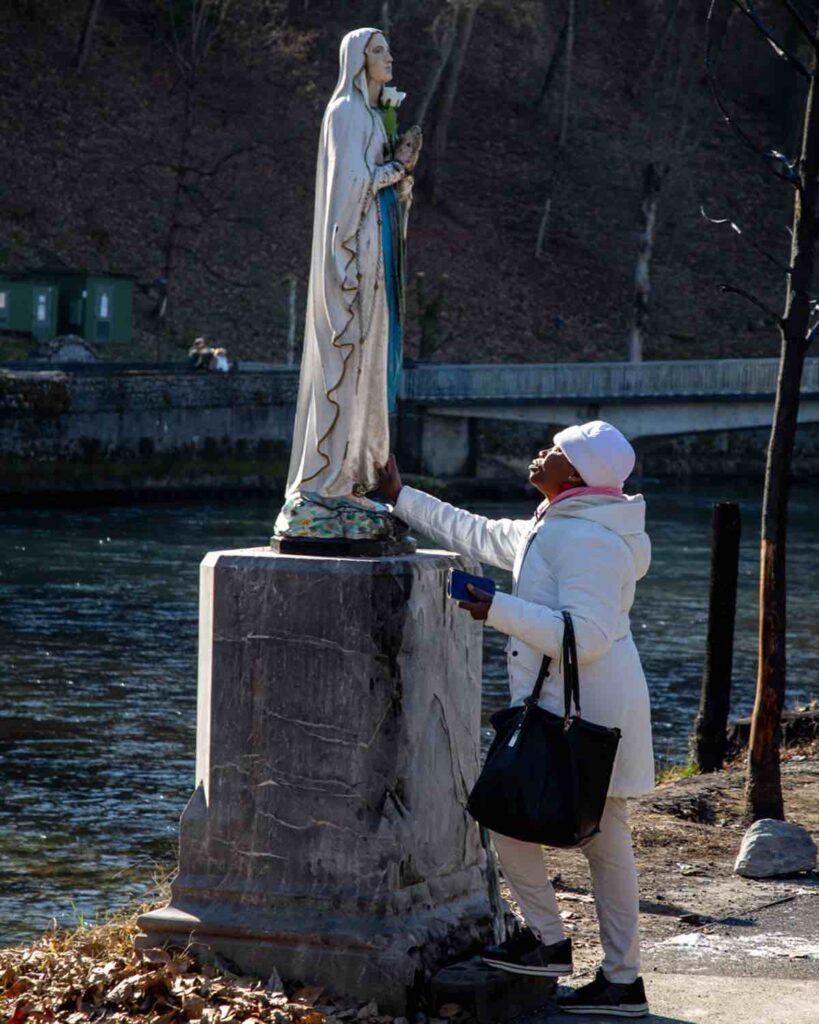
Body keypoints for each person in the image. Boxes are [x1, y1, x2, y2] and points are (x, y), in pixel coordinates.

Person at [375, 421, 654, 1018]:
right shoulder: (558, 524)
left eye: (555, 450)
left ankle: (580, 959)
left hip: (589, 713)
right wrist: (402, 497)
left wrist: (496, 607)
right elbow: (477, 532)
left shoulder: (590, 540)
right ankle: (589, 964)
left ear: (576, 475)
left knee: (540, 821)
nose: (541, 452)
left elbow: (590, 637)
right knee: (551, 827)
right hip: (572, 706)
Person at [285, 27, 421, 505]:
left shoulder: (370, 115)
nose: (390, 56)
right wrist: (397, 167)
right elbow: (350, 190)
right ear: (357, 61)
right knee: (354, 360)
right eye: (379, 50)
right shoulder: (345, 113)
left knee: (372, 363)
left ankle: (361, 475)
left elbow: (380, 189)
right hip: (357, 255)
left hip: (377, 251)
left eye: (388, 48)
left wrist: (400, 175)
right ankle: (331, 482)